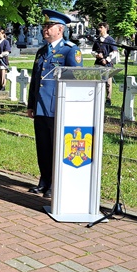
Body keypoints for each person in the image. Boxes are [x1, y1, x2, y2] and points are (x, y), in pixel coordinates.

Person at [26, 10, 83, 198]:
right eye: (44, 26)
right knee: (42, 147)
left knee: (56, 147)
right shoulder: (42, 51)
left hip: (58, 108)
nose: (45, 29)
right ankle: (44, 181)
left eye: (48, 27)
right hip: (41, 107)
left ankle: (55, 184)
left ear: (60, 29)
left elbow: (76, 80)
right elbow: (36, 80)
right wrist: (31, 104)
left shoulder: (70, 50)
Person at [91, 21, 118, 106]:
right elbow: (93, 51)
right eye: (99, 27)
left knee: (108, 83)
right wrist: (97, 55)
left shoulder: (110, 40)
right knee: (97, 80)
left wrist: (107, 59)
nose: (99, 29)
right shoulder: (97, 40)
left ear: (106, 28)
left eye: (101, 27)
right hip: (98, 63)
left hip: (107, 64)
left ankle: (108, 99)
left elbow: (115, 51)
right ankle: (97, 97)